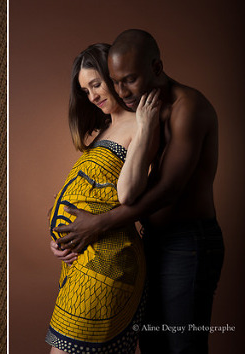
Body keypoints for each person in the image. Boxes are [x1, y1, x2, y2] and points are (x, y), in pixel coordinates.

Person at [54, 29, 224, 353]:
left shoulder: (188, 107)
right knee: (152, 346)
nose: (122, 91)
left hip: (188, 242)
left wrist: (97, 224)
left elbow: (167, 191)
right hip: (152, 240)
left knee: (183, 346)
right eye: (116, 82)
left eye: (128, 80)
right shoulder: (139, 114)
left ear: (156, 68)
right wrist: (69, 232)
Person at [46, 43, 161, 354]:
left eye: (96, 84)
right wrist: (62, 239)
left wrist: (145, 129)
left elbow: (127, 193)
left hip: (109, 261)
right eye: (86, 91)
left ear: (113, 77)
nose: (92, 96)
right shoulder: (104, 130)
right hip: (83, 262)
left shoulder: (140, 122)